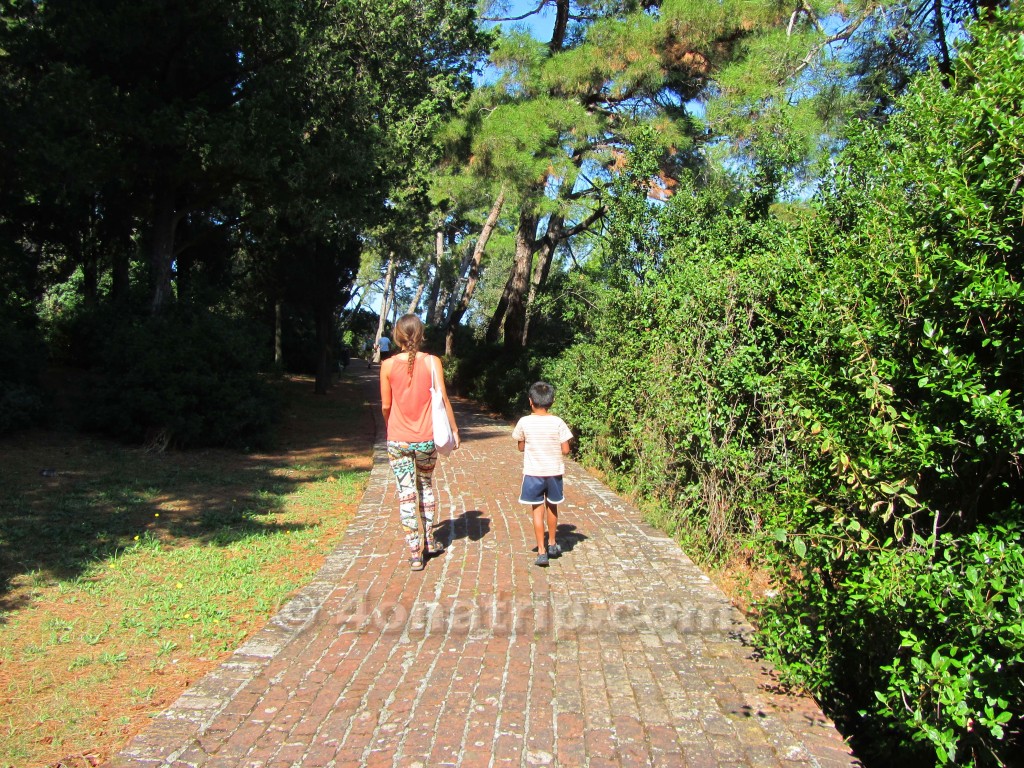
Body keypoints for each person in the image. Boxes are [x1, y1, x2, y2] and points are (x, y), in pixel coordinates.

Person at [380, 314, 460, 571]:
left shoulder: (388, 365)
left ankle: (415, 552)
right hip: (426, 439)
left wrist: (391, 426)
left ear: (397, 336)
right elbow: (444, 400)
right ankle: (429, 539)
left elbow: (385, 405)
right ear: (421, 334)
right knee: (425, 486)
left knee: (406, 495)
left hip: (398, 440)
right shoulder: (433, 361)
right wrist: (455, 431)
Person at [511, 382, 572, 567]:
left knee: (537, 511)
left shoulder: (524, 422)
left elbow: (520, 446)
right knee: (552, 507)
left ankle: (541, 551)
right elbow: (566, 449)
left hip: (533, 473)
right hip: (553, 472)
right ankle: (553, 543)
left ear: (530, 401)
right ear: (552, 401)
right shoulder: (558, 422)